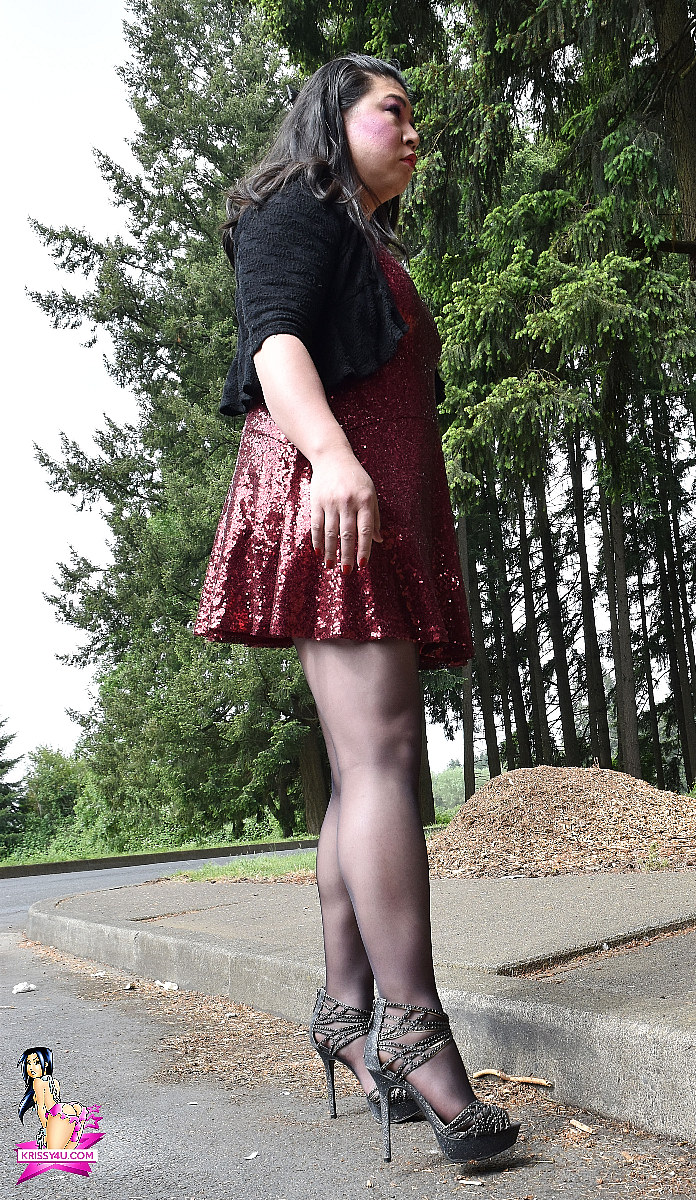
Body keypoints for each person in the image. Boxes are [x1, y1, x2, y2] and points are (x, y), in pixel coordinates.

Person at [195, 53, 519, 1164]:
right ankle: (414, 1034)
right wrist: (333, 457)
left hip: (366, 504)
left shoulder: (363, 235)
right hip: (330, 497)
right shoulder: (297, 203)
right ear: (335, 117)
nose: (415, 131)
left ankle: (346, 1010)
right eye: (394, 111)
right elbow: (275, 341)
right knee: (383, 760)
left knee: (359, 764)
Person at [17, 1047, 87, 1151]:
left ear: (45, 1064)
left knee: (53, 1152)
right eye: (28, 1063)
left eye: (36, 1063)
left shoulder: (38, 1082)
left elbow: (41, 1107)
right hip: (70, 1110)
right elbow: (56, 1101)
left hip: (56, 1114)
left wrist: (45, 1128)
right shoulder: (54, 1081)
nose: (31, 1068)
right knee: (64, 1150)